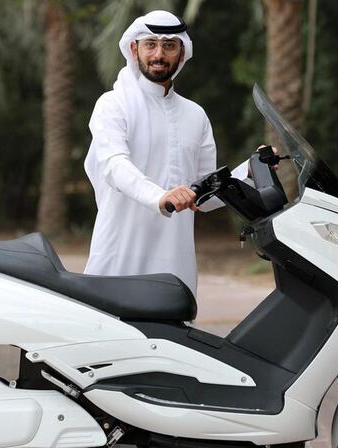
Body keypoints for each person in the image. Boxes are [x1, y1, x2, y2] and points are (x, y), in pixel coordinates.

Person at [83, 10, 249, 296]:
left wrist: (251, 170)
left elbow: (205, 195)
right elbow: (114, 167)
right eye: (150, 44)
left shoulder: (195, 115)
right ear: (134, 49)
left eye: (169, 45)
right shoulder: (113, 104)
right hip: (119, 259)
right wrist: (161, 196)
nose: (159, 54)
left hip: (175, 266)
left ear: (181, 52)